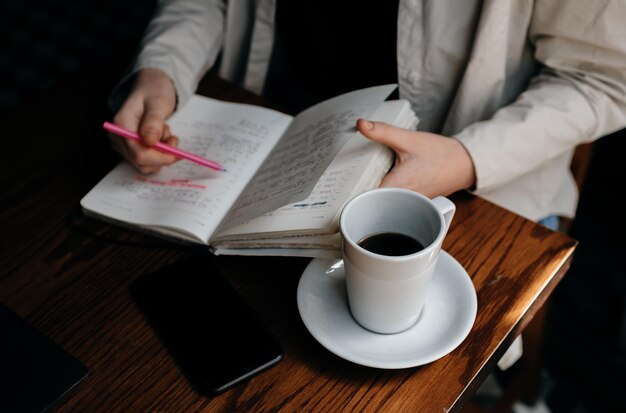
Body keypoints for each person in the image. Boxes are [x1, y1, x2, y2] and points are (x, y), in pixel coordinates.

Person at [109, 0, 626, 226]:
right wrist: (162, 69)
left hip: (472, 166)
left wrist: (467, 159)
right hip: (270, 121)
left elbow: (602, 78)